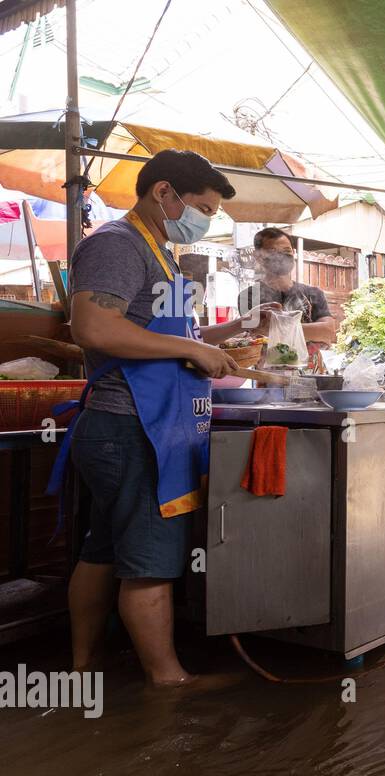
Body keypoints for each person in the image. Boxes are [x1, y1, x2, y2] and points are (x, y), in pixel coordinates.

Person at [63, 149, 243, 686]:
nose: (205, 220)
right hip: (132, 426)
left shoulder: (158, 251)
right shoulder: (118, 244)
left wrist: (219, 338)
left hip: (138, 425)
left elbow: (161, 337)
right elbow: (93, 328)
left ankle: (81, 668)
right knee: (149, 563)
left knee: (103, 550)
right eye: (203, 208)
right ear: (163, 193)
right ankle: (169, 686)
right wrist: (192, 352)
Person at [236, 226, 338, 353]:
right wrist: (312, 332)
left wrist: (277, 328)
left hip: (310, 370)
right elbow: (258, 334)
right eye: (273, 251)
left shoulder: (313, 293)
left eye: (286, 251)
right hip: (267, 370)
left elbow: (328, 332)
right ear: (258, 256)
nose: (281, 256)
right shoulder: (248, 296)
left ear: (293, 252)